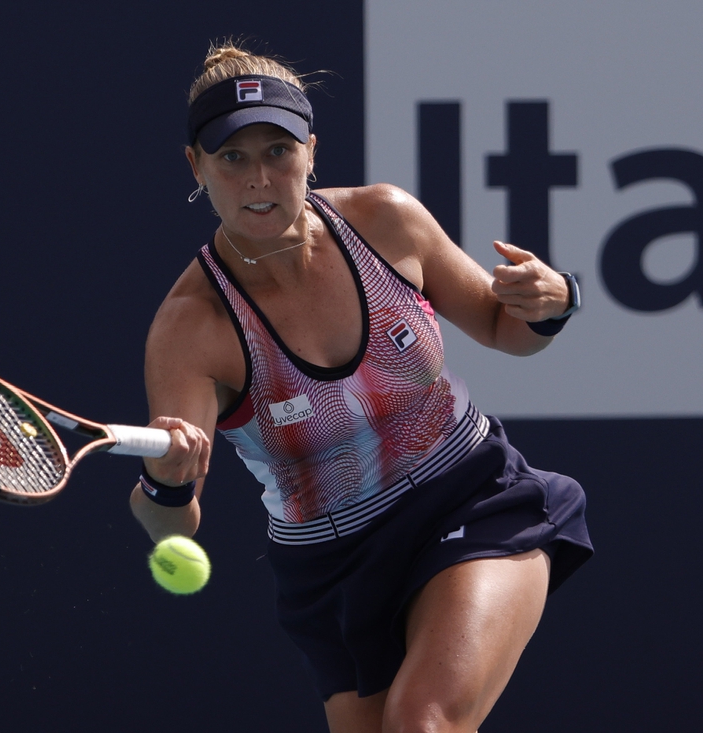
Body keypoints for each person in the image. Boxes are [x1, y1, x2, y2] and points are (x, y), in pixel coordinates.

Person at [130, 41, 593, 733]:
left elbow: (505, 329)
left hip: (471, 495)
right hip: (333, 569)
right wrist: (166, 481)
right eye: (232, 157)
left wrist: (553, 301)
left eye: (278, 152)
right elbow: (172, 519)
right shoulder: (190, 329)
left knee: (422, 721)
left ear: (310, 152)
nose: (259, 178)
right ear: (197, 167)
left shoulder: (386, 221)